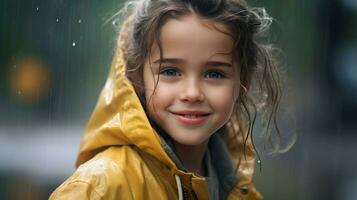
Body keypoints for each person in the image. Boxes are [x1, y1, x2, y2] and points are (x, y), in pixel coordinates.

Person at [50, 0, 283, 199]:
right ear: (137, 75)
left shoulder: (238, 191)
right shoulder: (99, 189)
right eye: (170, 71)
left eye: (214, 74)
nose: (192, 93)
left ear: (244, 81)